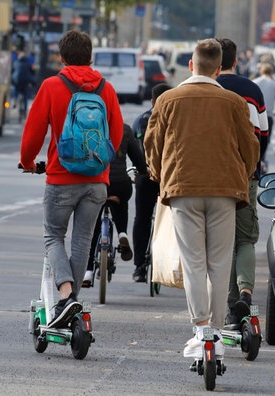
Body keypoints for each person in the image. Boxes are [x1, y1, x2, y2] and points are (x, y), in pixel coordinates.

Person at [143, 38, 260, 358]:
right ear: (219, 69)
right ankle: (218, 332)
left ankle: (201, 329)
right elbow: (250, 147)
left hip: (183, 188)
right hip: (225, 190)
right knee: (219, 262)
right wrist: (244, 173)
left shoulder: (168, 99)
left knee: (194, 262)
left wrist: (158, 175)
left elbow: (152, 144)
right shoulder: (234, 102)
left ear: (191, 65)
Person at [19, 30, 123, 328]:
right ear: (90, 57)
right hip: (96, 181)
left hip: (61, 178)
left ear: (61, 58)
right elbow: (114, 135)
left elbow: (34, 132)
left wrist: (28, 162)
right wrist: (99, 162)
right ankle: (71, 305)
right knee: (82, 241)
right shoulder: (106, 89)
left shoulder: (52, 86)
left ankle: (65, 293)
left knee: (53, 236)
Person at [216, 37, 269, 327]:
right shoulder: (252, 90)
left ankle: (230, 306)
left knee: (223, 243)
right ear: (236, 60)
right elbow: (263, 134)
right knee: (245, 239)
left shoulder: (204, 88)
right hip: (245, 174)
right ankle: (245, 295)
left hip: (213, 176)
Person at [83, 123, 146, 287]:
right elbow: (138, 158)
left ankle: (88, 271)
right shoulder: (124, 129)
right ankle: (122, 234)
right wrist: (144, 171)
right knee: (121, 202)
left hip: (98, 183)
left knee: (94, 225)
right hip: (121, 184)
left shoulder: (92, 128)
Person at [130, 83, 172, 282]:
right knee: (175, 220)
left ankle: (139, 266)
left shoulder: (140, 120)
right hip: (169, 177)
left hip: (145, 175)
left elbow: (136, 150)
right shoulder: (176, 117)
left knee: (142, 218)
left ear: (152, 101)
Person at [252, 63, 275, 140]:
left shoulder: (254, 82)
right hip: (268, 115)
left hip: (255, 114)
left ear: (261, 72)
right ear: (271, 72)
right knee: (266, 139)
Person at [12, 51, 35, 117]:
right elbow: (32, 73)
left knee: (16, 90)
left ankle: (15, 100)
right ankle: (25, 111)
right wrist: (32, 82)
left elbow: (12, 72)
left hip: (17, 81)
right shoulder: (28, 64)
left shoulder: (15, 62)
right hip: (26, 82)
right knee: (25, 97)